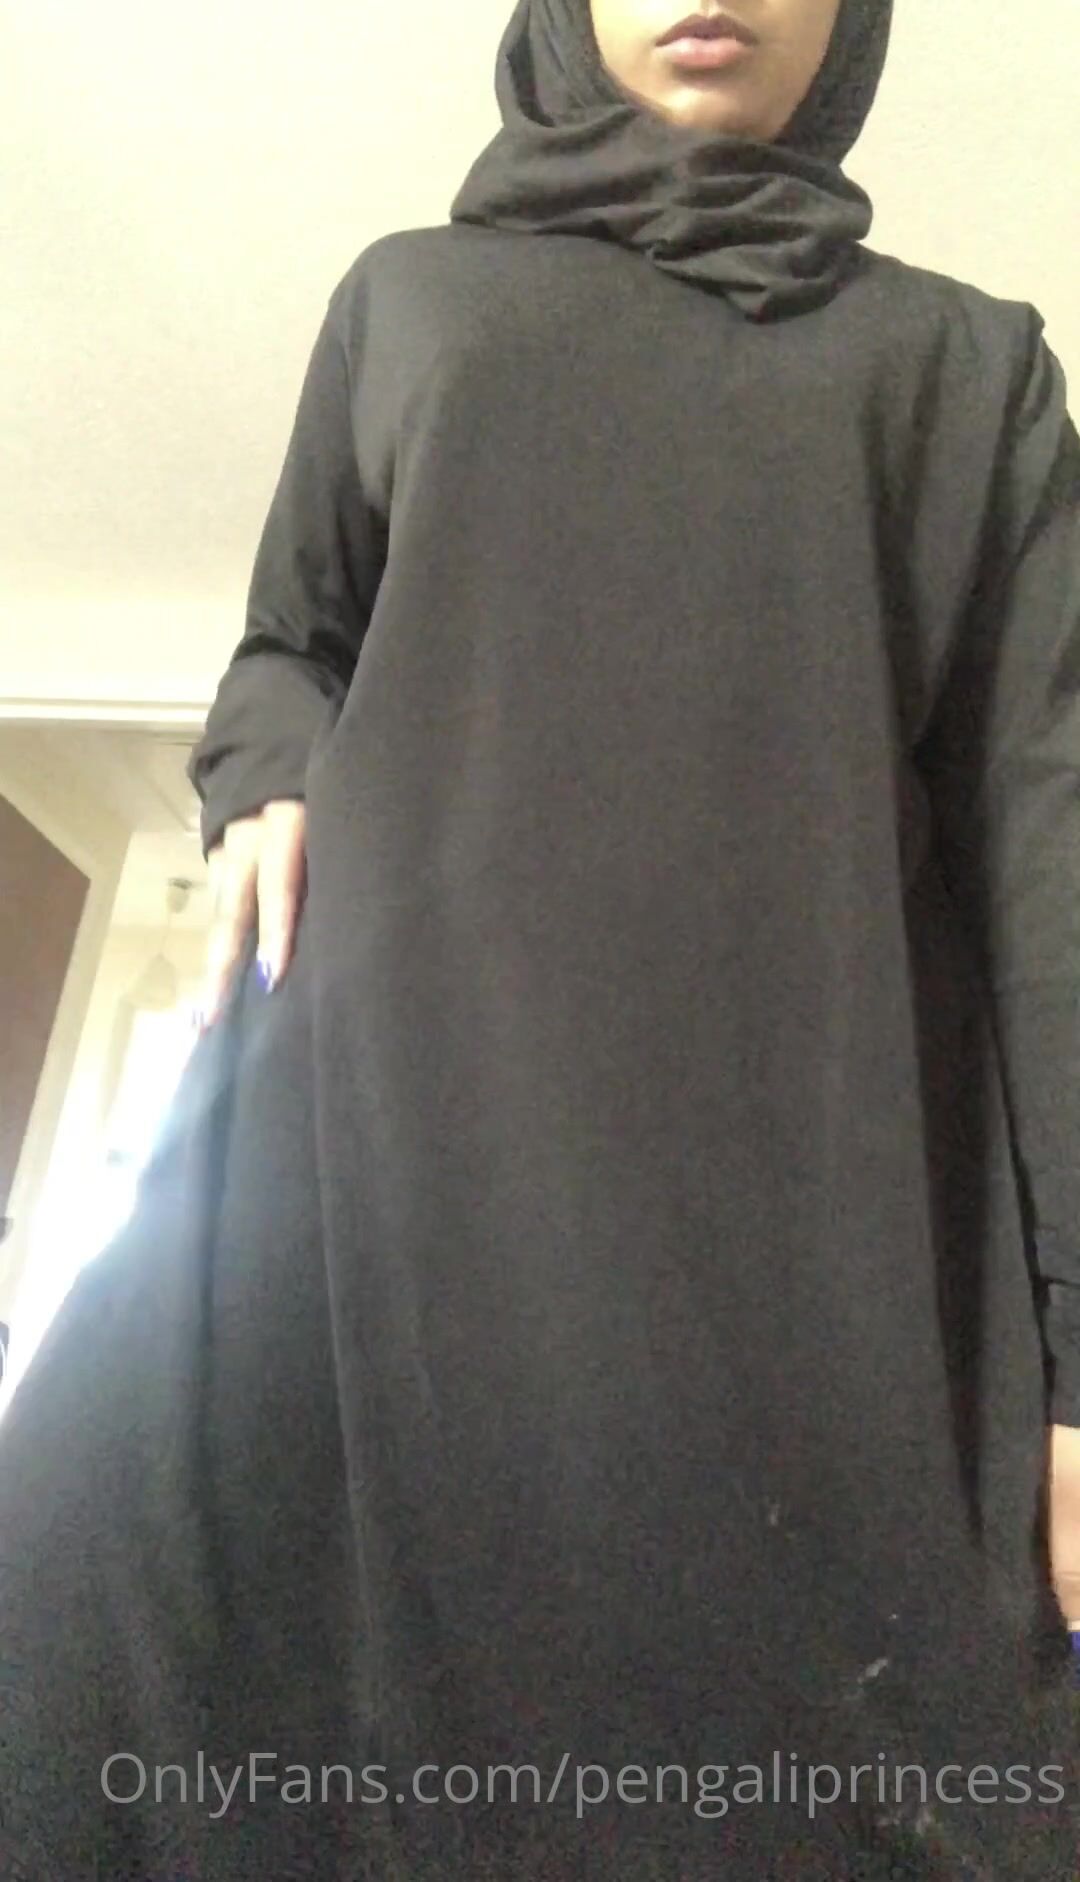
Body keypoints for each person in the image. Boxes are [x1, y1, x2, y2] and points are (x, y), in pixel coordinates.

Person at [2, 1, 1079, 1875]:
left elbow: (1043, 845)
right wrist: (268, 769)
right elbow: (292, 640)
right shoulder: (411, 295)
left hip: (797, 1233)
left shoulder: (963, 368)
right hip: (362, 1172)